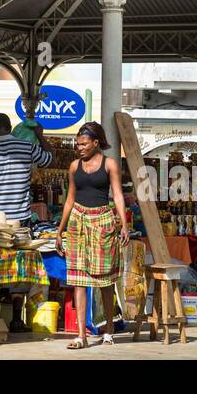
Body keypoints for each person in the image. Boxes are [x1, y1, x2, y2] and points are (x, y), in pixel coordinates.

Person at [56, 121, 129, 350]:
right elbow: (69, 199)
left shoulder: (110, 165)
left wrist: (123, 224)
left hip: (102, 222)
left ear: (96, 143)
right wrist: (60, 230)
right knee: (78, 280)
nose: (80, 148)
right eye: (78, 144)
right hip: (77, 222)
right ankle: (81, 336)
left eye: (84, 144)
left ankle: (109, 330)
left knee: (104, 280)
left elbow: (117, 196)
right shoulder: (73, 166)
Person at [0, 112, 53, 222]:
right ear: (10, 128)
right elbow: (49, 160)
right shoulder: (27, 147)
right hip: (20, 218)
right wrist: (40, 136)